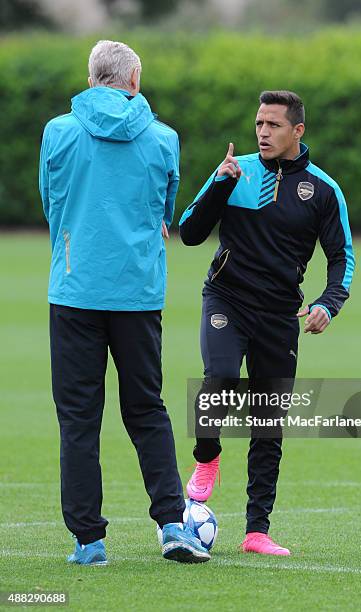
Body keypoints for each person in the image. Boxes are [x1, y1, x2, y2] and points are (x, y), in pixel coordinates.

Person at [39, 40, 210, 565]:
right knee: (147, 409)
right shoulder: (163, 138)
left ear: (94, 78)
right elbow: (166, 208)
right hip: (137, 292)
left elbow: (51, 201)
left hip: (76, 289)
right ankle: (173, 525)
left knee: (78, 419)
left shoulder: (58, 131)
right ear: (134, 79)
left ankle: (88, 540)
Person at [179, 90, 355, 555]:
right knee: (217, 378)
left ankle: (256, 531)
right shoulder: (236, 172)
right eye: (259, 123)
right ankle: (207, 457)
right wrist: (219, 183)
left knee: (268, 419)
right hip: (226, 298)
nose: (262, 132)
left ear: (297, 131)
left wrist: (328, 303)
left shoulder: (322, 190)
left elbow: (342, 258)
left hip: (280, 314)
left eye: (273, 125)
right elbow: (190, 232)